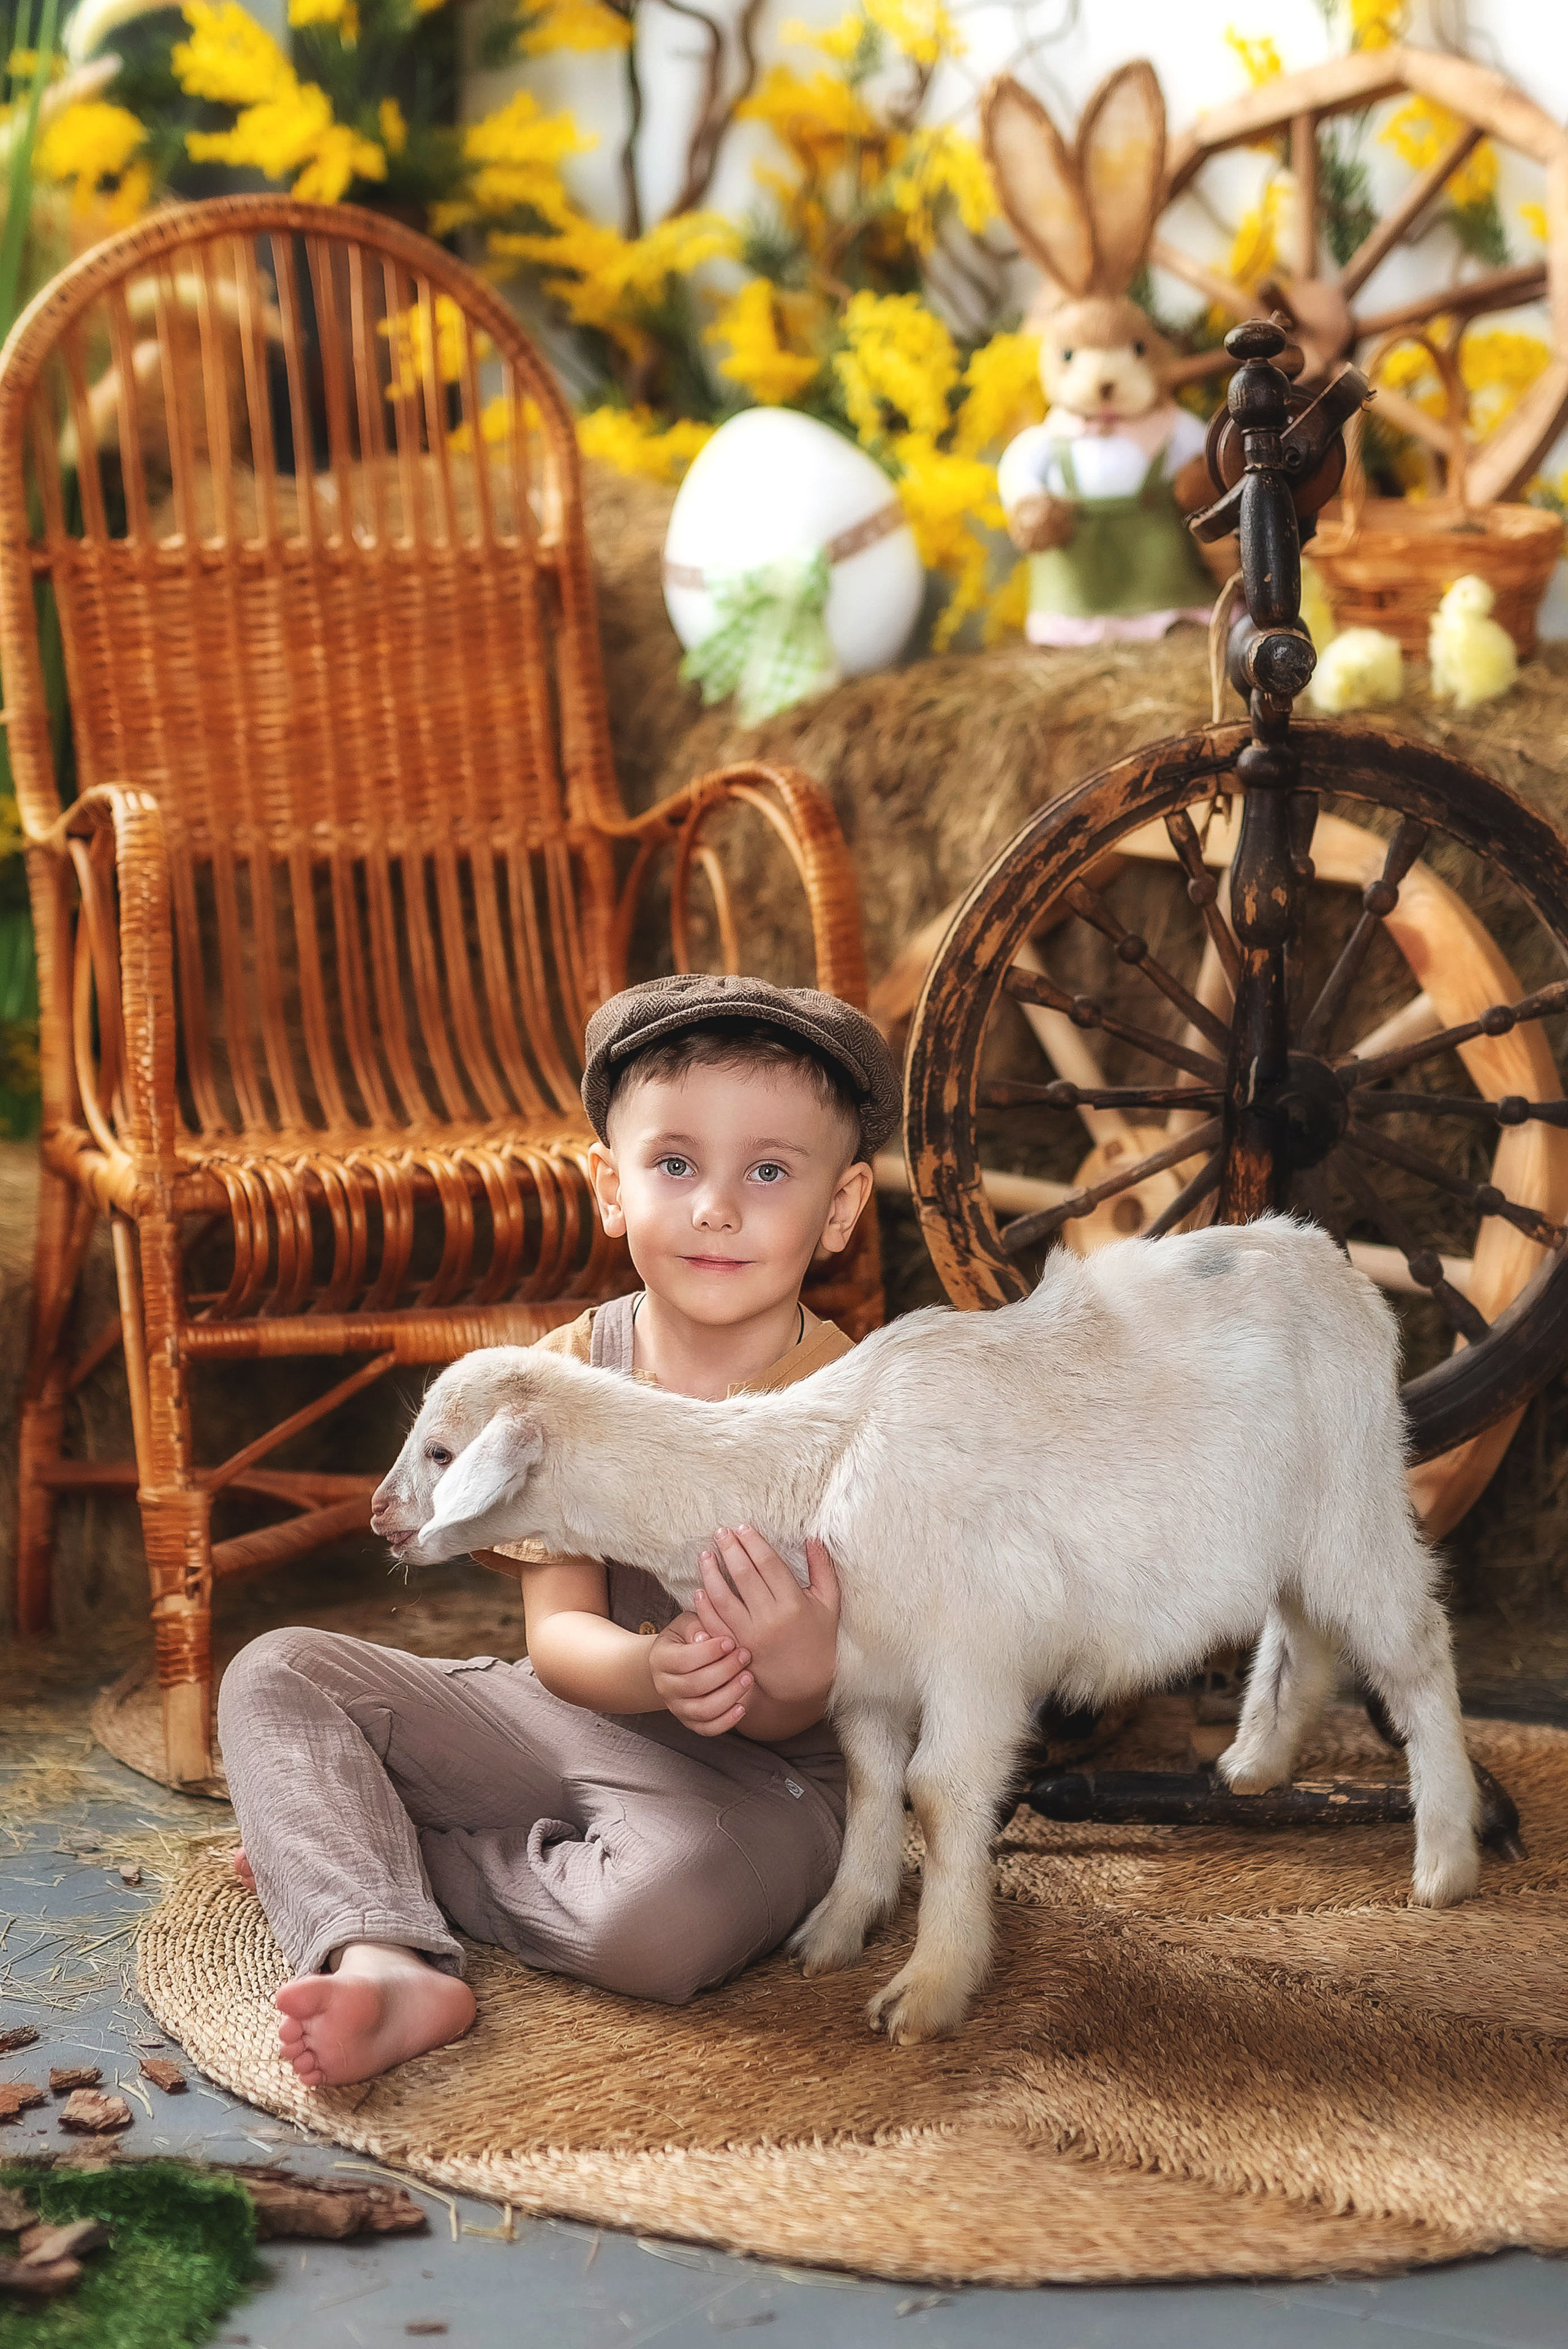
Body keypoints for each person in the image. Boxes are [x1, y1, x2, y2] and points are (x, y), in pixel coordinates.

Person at [217, 973, 900, 2087]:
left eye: (768, 1171)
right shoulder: (567, 1373)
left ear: (842, 1208)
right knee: (278, 1674)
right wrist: (654, 1668)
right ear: (611, 1188)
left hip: (764, 1788)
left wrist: (790, 1673)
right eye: (675, 1165)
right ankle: (388, 1958)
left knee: (660, 1928)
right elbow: (562, 1645)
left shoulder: (851, 1409)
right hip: (571, 1718)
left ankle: (395, 1859)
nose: (715, 1207)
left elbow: (833, 1705)